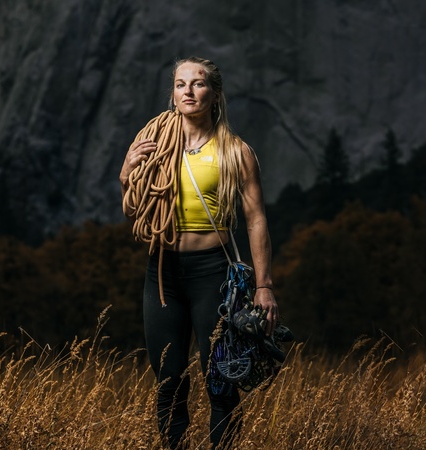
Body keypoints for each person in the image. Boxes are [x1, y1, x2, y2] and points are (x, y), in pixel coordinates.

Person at [119, 56, 279, 449]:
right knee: (168, 377)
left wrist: (264, 286)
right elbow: (136, 204)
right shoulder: (153, 144)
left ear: (214, 93)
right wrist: (126, 174)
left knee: (220, 377)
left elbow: (257, 219)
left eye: (198, 83)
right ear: (172, 94)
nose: (188, 91)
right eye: (180, 84)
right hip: (162, 272)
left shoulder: (236, 152)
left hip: (214, 273)